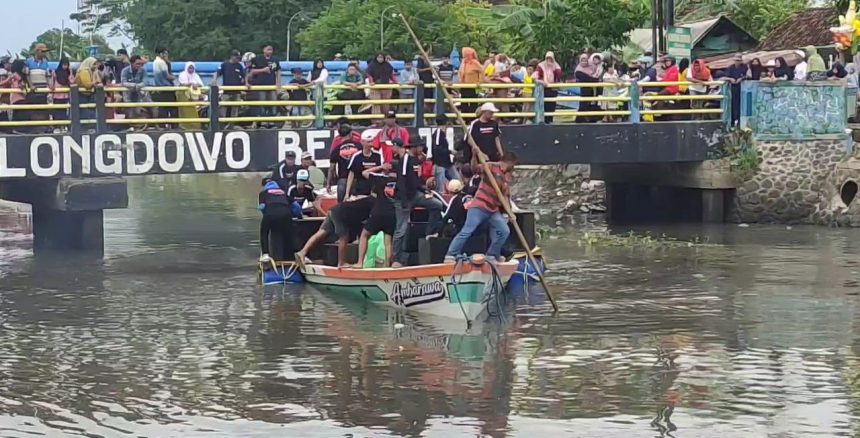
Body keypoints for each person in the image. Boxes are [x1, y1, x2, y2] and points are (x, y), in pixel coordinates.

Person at [445, 152, 517, 263]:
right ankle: (451, 254)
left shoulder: (505, 179)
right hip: (479, 206)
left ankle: (492, 255)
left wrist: (510, 214)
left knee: (504, 231)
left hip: (493, 210)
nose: (513, 169)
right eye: (513, 165)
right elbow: (474, 168)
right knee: (467, 230)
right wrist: (474, 154)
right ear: (510, 163)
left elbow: (505, 199)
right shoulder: (491, 166)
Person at [391, 141, 445, 267]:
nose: (422, 149)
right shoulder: (405, 159)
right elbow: (402, 180)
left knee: (437, 205)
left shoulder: (416, 160)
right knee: (401, 229)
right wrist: (404, 200)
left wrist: (424, 189)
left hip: (415, 195)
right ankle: (396, 259)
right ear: (414, 147)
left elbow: (414, 180)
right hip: (403, 197)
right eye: (420, 146)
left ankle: (429, 233)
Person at [354, 165, 398, 268]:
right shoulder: (401, 181)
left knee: (364, 235)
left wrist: (381, 167)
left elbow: (364, 173)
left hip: (378, 212)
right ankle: (387, 266)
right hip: (392, 214)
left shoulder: (381, 179)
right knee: (388, 242)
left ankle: (360, 262)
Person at [258, 178, 295, 264]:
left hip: (271, 213)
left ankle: (265, 254)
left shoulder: (263, 193)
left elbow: (262, 207)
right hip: (286, 214)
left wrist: (267, 215)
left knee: (264, 232)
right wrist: (299, 215)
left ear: (264, 186)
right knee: (289, 234)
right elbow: (295, 206)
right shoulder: (283, 192)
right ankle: (291, 255)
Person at [329, 119, 363, 201]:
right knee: (357, 206)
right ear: (351, 133)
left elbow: (331, 168)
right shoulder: (359, 146)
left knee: (341, 207)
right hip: (356, 179)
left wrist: (328, 184)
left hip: (342, 179)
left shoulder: (336, 149)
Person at [248, 44, 282, 127]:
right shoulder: (257, 59)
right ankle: (262, 121)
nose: (270, 51)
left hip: (272, 85)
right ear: (264, 50)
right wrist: (263, 70)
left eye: (271, 49)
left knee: (273, 103)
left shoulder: (275, 59)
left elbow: (278, 72)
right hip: (261, 85)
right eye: (268, 49)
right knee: (262, 104)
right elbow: (251, 71)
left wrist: (278, 84)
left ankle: (272, 121)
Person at [212, 50, 246, 124]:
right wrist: (214, 81)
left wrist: (244, 85)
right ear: (232, 56)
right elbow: (217, 73)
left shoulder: (239, 66)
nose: (238, 59)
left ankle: (232, 124)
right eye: (236, 57)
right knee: (223, 107)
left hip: (237, 91)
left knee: (235, 109)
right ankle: (222, 123)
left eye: (238, 58)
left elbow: (244, 77)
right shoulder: (224, 64)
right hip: (226, 91)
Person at [432, 114, 459, 192]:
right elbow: (437, 148)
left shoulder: (441, 134)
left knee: (457, 182)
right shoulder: (438, 134)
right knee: (441, 188)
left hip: (447, 163)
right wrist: (450, 152)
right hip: (440, 164)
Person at [533, 51, 562, 123]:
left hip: (552, 89)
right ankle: (543, 120)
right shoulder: (541, 66)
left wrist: (554, 68)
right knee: (543, 104)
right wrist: (543, 81)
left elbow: (558, 77)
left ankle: (550, 119)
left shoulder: (556, 66)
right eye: (547, 58)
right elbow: (536, 77)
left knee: (552, 104)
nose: (549, 60)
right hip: (543, 88)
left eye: (550, 58)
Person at [366, 53, 397, 120]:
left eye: (381, 57)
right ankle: (376, 121)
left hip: (386, 87)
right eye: (379, 57)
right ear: (376, 58)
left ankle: (386, 120)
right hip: (375, 88)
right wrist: (371, 82)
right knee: (376, 104)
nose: (380, 59)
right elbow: (369, 74)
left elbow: (391, 75)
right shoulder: (372, 65)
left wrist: (395, 82)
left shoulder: (387, 65)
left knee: (386, 105)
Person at [152, 47, 177, 122]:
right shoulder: (162, 62)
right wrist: (175, 78)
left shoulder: (155, 62)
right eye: (165, 53)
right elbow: (167, 76)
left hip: (159, 88)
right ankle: (174, 125)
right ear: (161, 54)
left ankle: (162, 125)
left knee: (162, 108)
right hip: (167, 87)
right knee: (172, 108)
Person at [75, 57, 102, 123]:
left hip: (88, 95)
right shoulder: (84, 71)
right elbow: (87, 85)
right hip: (82, 95)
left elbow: (99, 81)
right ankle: (86, 127)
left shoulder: (91, 71)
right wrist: (95, 82)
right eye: (94, 64)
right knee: (85, 112)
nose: (95, 66)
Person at [459, 47, 484, 114]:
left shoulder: (475, 62)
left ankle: (472, 118)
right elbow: (460, 72)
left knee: (473, 103)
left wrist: (479, 81)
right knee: (464, 103)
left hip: (473, 86)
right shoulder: (463, 62)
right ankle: (465, 118)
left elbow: (482, 71)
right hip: (464, 86)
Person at [725, 54, 748, 126]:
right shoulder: (730, 68)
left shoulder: (744, 67)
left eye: (739, 60)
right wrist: (730, 79)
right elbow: (724, 77)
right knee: (732, 105)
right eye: (736, 60)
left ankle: (740, 122)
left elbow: (748, 75)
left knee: (742, 105)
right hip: (733, 89)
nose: (737, 62)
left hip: (743, 89)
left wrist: (741, 78)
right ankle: (732, 122)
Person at [50, 57, 74, 126]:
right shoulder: (55, 72)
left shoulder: (68, 73)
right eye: (64, 65)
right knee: (57, 111)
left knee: (64, 111)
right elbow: (52, 83)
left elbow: (71, 81)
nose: (65, 66)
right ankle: (56, 126)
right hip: (57, 96)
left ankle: (63, 126)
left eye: (66, 65)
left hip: (65, 96)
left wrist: (70, 73)